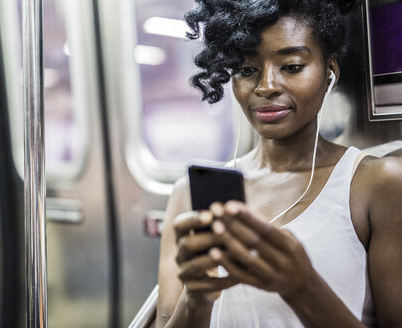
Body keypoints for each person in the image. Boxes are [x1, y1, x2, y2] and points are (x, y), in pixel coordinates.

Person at [156, 1, 402, 327]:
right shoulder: (187, 196)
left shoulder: (378, 186)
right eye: (247, 70)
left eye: (292, 66)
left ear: (330, 70)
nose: (266, 86)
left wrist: (303, 287)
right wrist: (198, 297)